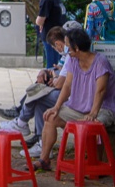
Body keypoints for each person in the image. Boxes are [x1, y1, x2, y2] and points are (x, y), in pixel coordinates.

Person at [35, 27, 115, 171]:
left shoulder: (100, 62)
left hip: (103, 109)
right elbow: (67, 86)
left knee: (93, 124)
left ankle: (95, 166)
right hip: (77, 107)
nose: (65, 49)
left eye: (67, 45)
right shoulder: (72, 61)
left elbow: (101, 91)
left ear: (76, 48)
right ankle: (44, 159)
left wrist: (93, 113)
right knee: (50, 117)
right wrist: (56, 107)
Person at [0, 26, 70, 156]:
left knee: (38, 95)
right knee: (39, 97)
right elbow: (60, 71)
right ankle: (41, 142)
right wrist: (47, 71)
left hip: (70, 96)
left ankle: (22, 122)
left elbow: (60, 83)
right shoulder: (69, 54)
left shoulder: (71, 54)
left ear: (59, 44)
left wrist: (54, 76)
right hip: (66, 91)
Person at [36, 0, 68, 69]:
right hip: (51, 37)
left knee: (60, 63)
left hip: (60, 35)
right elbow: (39, 20)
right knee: (52, 63)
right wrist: (41, 25)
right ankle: (50, 81)